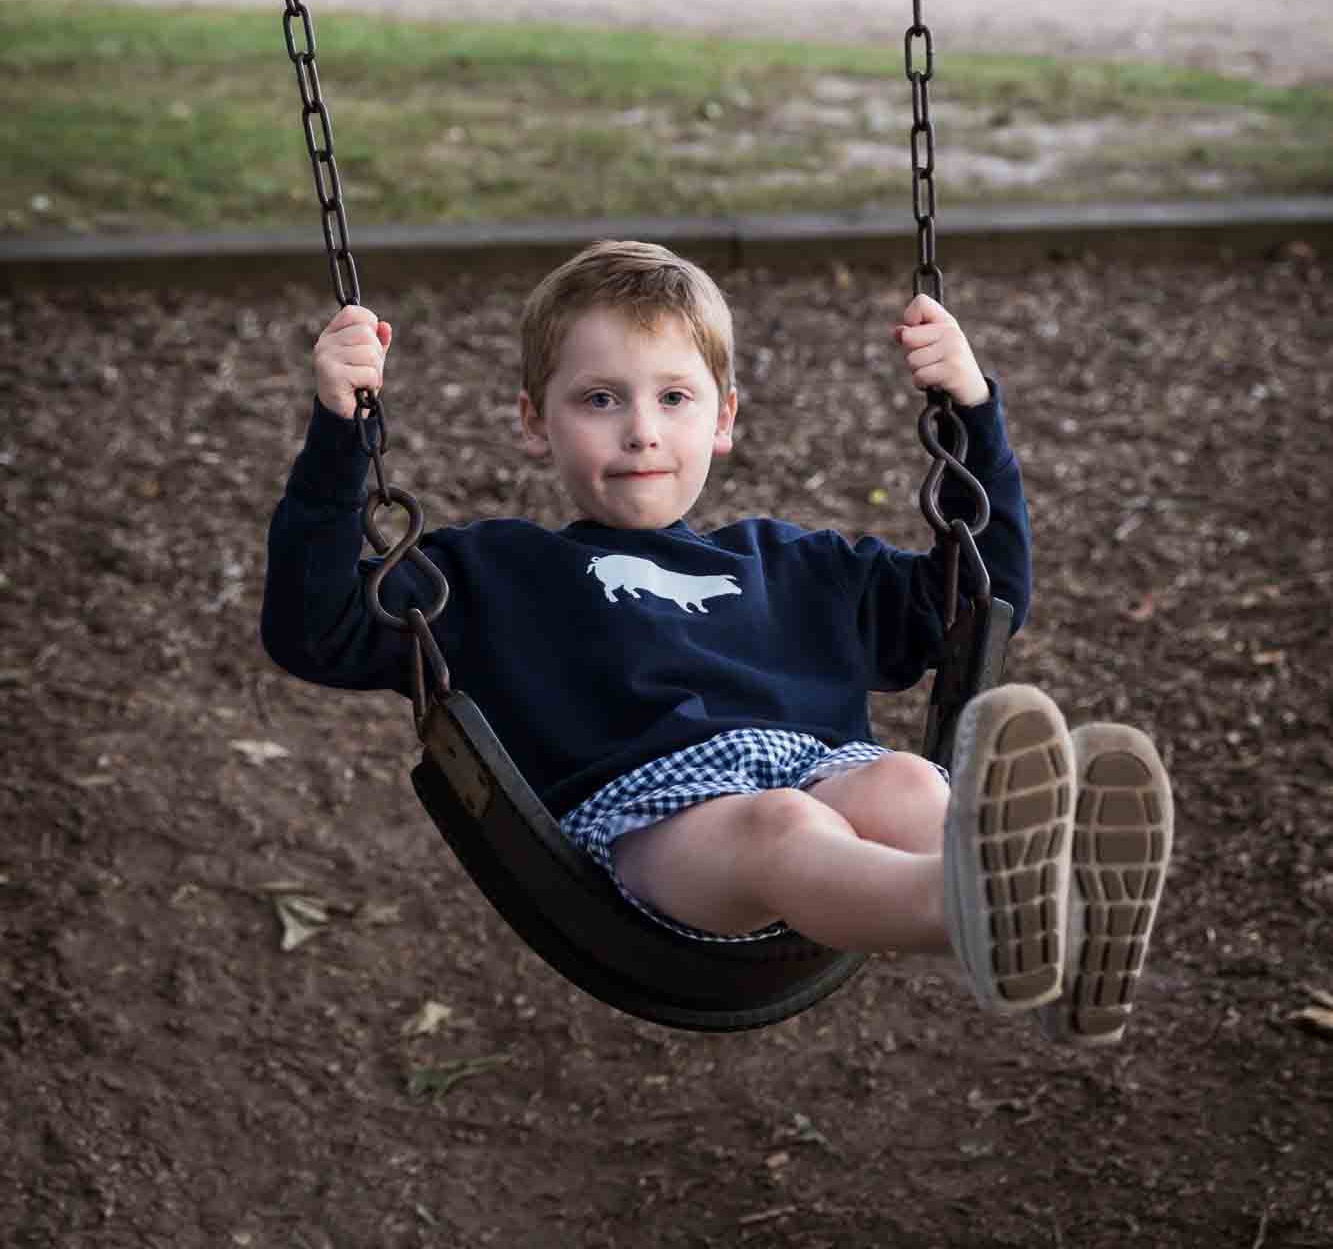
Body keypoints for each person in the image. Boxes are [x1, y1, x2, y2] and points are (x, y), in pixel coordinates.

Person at [263, 239, 1172, 1045]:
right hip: (649, 830)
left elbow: (984, 598)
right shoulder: (490, 575)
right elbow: (317, 630)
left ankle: (1058, 919)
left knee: (896, 778)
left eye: (672, 396)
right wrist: (342, 436)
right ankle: (986, 904)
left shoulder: (796, 566)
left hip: (818, 773)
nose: (641, 429)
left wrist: (971, 409)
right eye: (598, 399)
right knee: (783, 825)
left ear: (723, 418)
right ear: (535, 421)